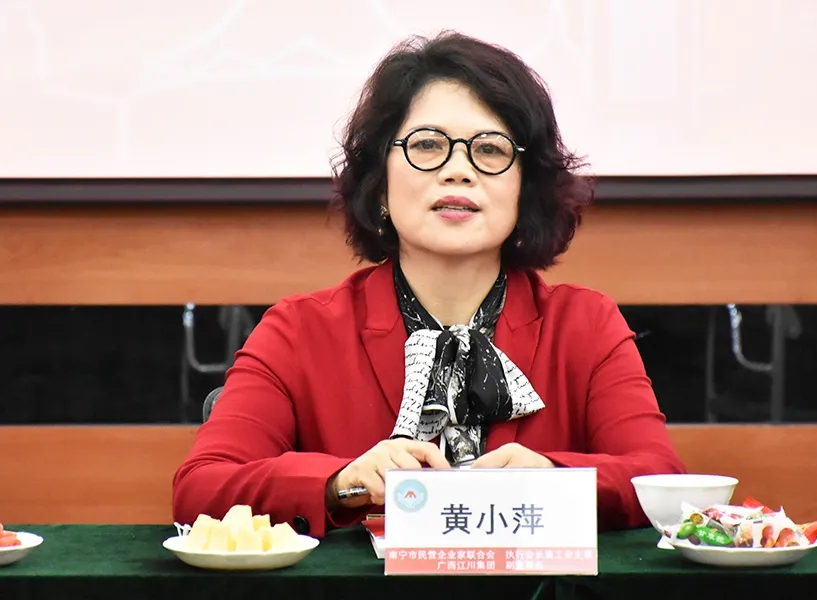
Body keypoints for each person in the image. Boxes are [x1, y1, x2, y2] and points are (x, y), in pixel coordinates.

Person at [172, 31, 685, 539]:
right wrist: (340, 482)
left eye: (490, 150)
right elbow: (201, 487)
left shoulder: (585, 326)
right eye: (428, 145)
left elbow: (660, 477)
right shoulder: (300, 330)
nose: (458, 171)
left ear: (524, 190)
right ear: (380, 184)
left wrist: (554, 479)